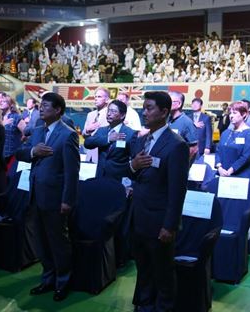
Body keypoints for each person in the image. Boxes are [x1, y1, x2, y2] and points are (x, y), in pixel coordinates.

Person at [128, 91, 188, 311]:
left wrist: (170, 225)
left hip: (159, 221)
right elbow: (133, 173)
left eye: (150, 108)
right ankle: (144, 305)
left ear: (164, 112)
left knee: (162, 273)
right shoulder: (143, 140)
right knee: (143, 269)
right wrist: (133, 165)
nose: (145, 112)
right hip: (139, 217)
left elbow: (177, 190)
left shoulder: (176, 144)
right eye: (144, 107)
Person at [16, 92, 79, 302]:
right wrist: (34, 151)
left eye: (45, 105)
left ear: (58, 110)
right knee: (41, 242)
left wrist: (67, 200)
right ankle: (48, 278)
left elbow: (72, 172)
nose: (40, 108)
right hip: (35, 195)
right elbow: (21, 153)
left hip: (55, 198)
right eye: (40, 105)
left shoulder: (68, 134)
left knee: (58, 242)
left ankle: (63, 282)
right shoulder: (38, 131)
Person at [83, 100, 137, 182]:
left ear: (122, 115)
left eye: (113, 111)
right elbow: (87, 143)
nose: (108, 114)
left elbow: (135, 160)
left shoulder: (130, 134)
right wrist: (108, 138)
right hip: (100, 177)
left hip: (118, 180)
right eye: (108, 110)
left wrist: (131, 184)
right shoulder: (102, 131)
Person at [215, 101, 250, 180]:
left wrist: (230, 170)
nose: (231, 116)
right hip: (221, 173)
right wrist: (219, 168)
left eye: (234, 113)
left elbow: (246, 157)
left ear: (244, 114)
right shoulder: (225, 133)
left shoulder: (249, 134)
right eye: (230, 113)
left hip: (240, 176)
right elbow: (218, 152)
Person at [82, 87, 110, 163]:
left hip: (103, 155)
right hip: (89, 154)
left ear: (107, 100)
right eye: (95, 97)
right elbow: (84, 133)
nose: (96, 99)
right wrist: (87, 131)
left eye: (99, 97)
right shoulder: (90, 115)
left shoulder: (110, 115)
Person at [168, 91, 199, 159]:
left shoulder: (187, 122)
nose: (166, 103)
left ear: (179, 104)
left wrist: (182, 165)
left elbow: (194, 149)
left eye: (169, 101)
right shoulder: (166, 120)